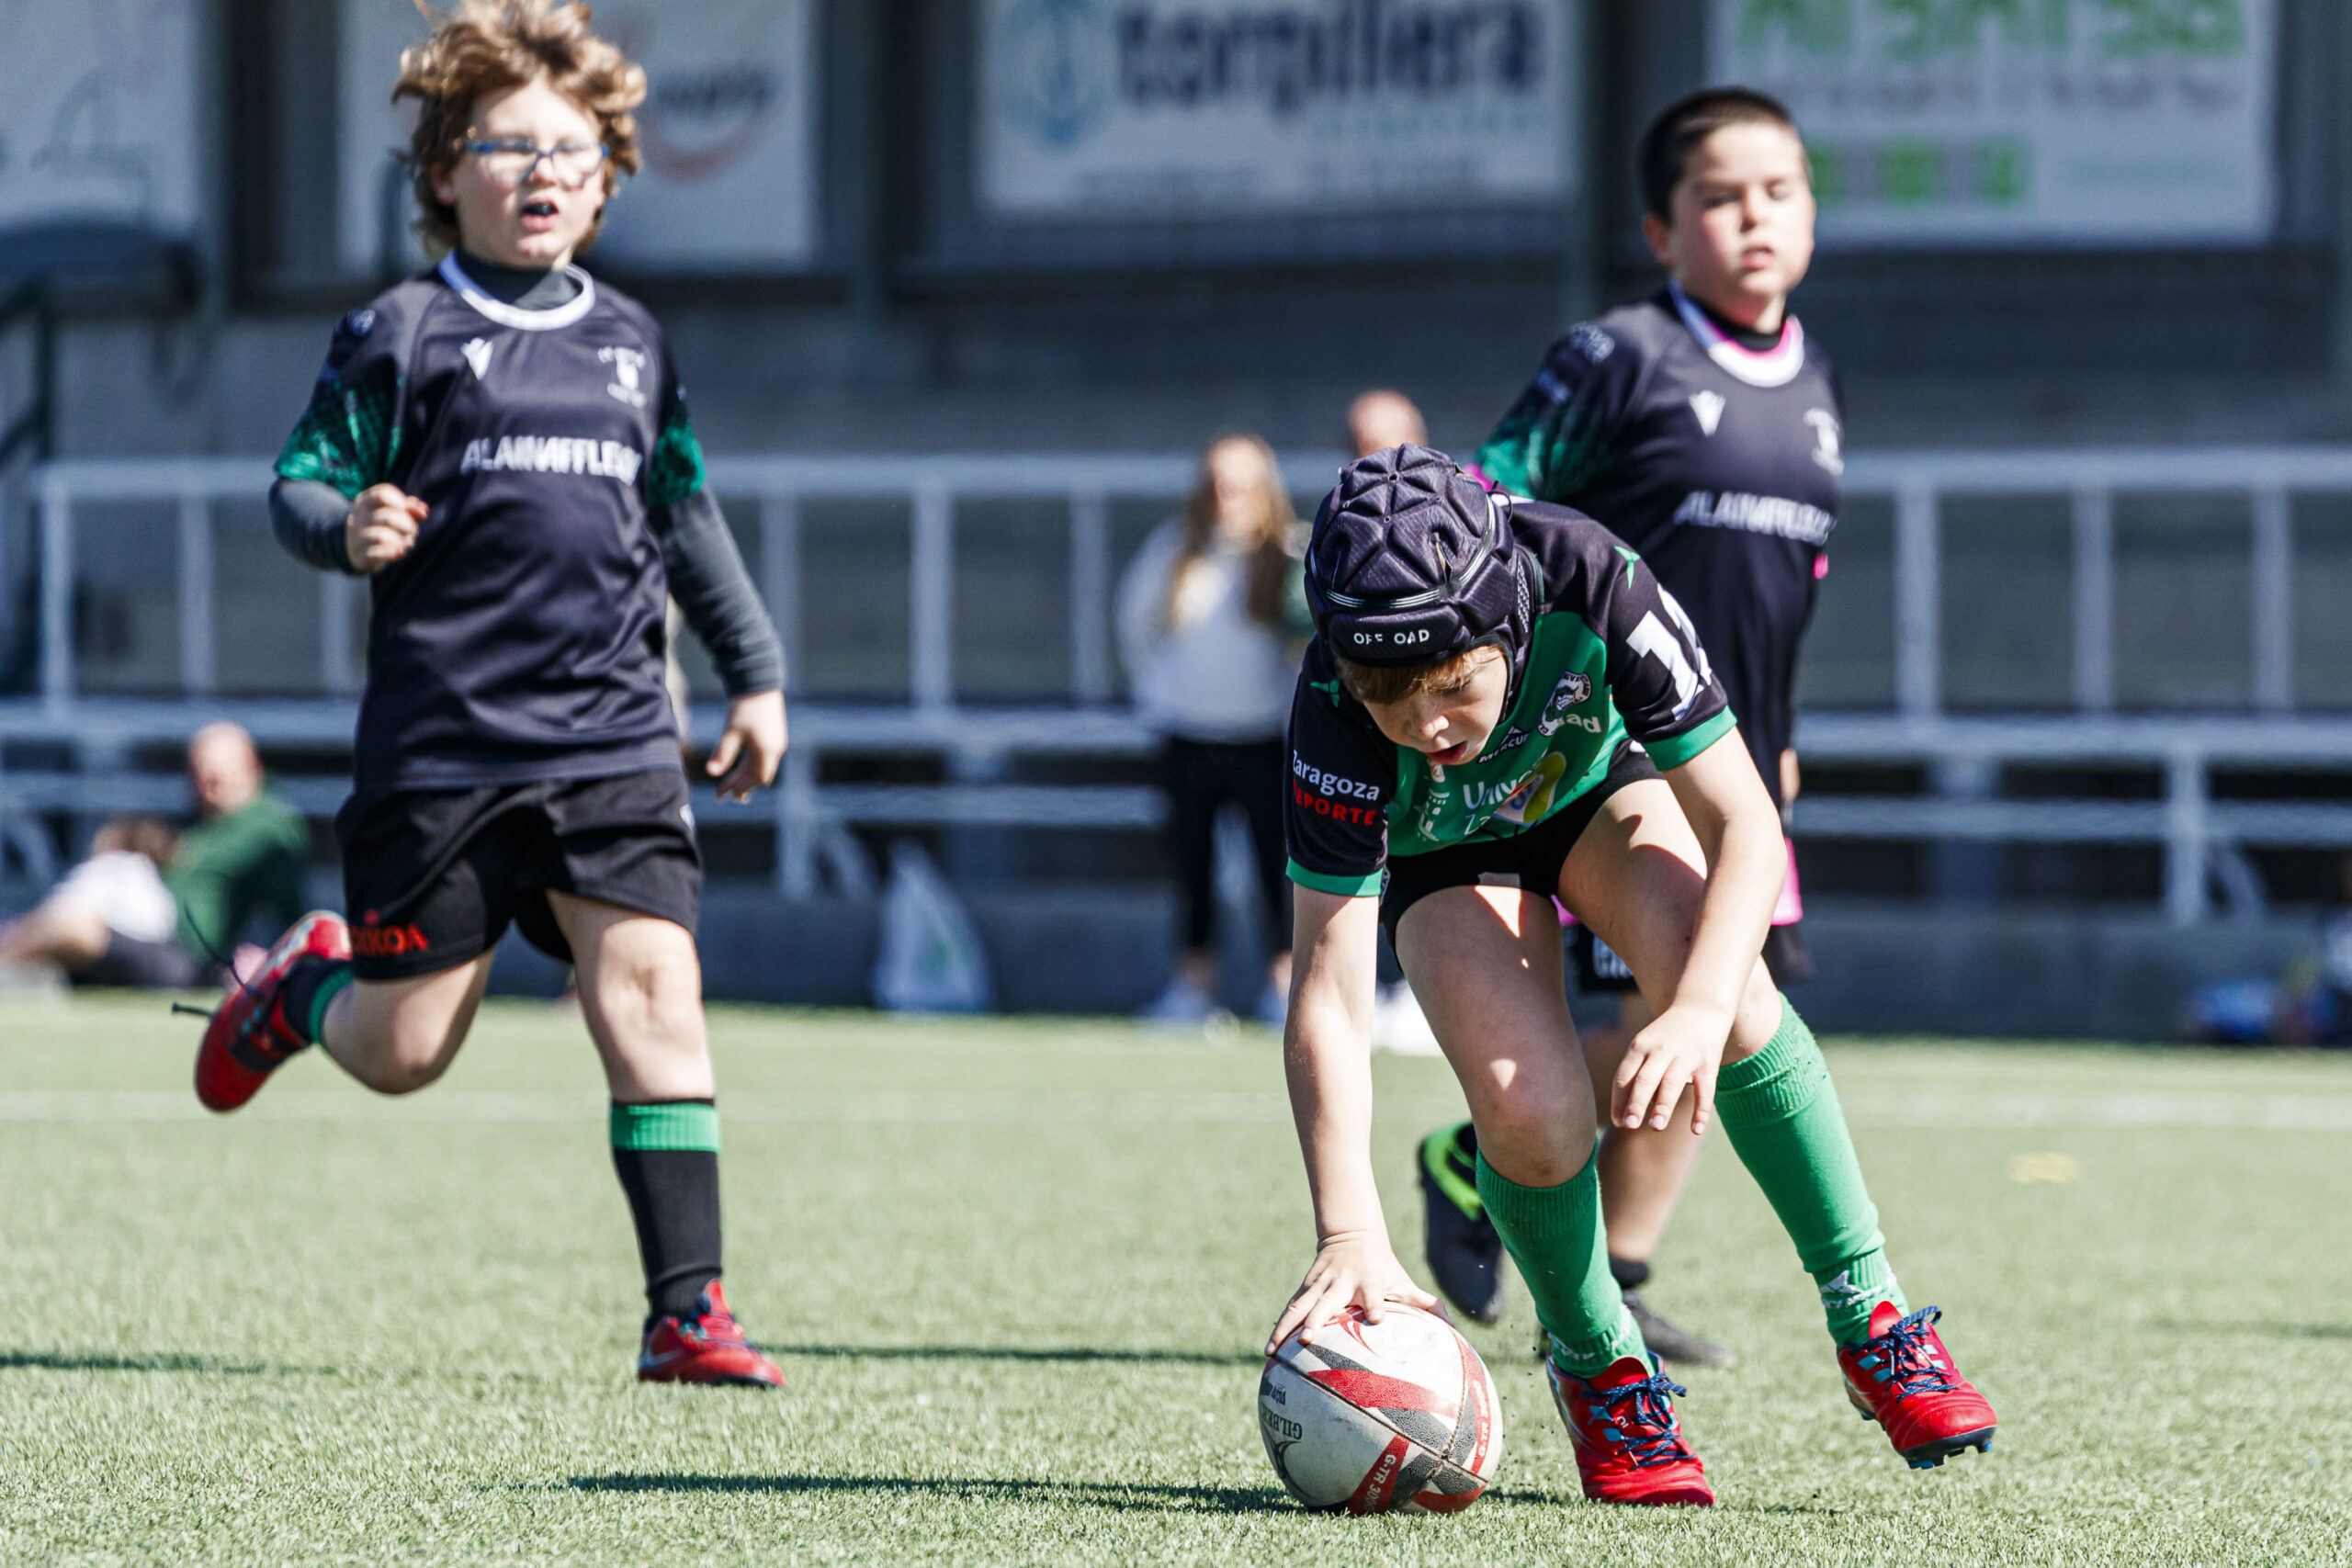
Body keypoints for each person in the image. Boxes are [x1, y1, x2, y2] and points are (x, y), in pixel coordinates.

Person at [196, 0, 790, 1389]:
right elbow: (297, 484)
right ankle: (302, 991)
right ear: (445, 170)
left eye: (570, 152)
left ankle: (687, 1312)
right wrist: (341, 526)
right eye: (508, 147)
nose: (541, 175)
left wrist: (754, 673)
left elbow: (688, 517)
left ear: (608, 177)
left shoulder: (637, 342)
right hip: (443, 745)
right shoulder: (397, 333)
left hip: (614, 738)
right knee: (407, 1050)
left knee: (651, 990)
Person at [1270, 446, 1995, 1506]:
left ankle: (1871, 1316)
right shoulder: (1332, 696)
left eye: (1455, 685)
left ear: (1507, 620)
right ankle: (1599, 1363)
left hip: (1592, 793)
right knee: (1528, 1109)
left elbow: (1748, 822)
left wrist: (1696, 1008)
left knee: (1737, 994)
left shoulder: (1590, 572)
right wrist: (1349, 1233)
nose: (1426, 726)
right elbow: (1329, 987)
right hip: (1441, 857)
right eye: (1390, 697)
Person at [1416, 88, 1840, 1369]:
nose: (1753, 217)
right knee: (1654, 1012)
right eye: (1720, 196)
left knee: (1732, 1015)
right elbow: (1482, 509)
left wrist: (1781, 733)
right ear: (1662, 228)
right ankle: (1483, 1151)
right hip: (1609, 756)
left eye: (1778, 190)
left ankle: (1625, 1269)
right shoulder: (1619, 356)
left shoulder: (1815, 377)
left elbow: (1792, 582)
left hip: (1736, 760)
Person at [1119, 434, 1306, 1028]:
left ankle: (1283, 988)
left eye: (1241, 484)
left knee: (1277, 870)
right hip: (1188, 738)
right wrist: (1159, 699)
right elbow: (1133, 626)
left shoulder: (1289, 552)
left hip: (1263, 739)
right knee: (1191, 868)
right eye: (1218, 484)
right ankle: (1193, 988)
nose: (1228, 497)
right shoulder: (1174, 550)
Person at [0, 724, 308, 988]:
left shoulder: (268, 828)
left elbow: (292, 913)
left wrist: (279, 966)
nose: (207, 787)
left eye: (217, 776)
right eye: (199, 775)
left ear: (250, 768)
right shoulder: (198, 822)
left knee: (75, 929)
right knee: (68, 909)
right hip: (135, 924)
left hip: (180, 953)